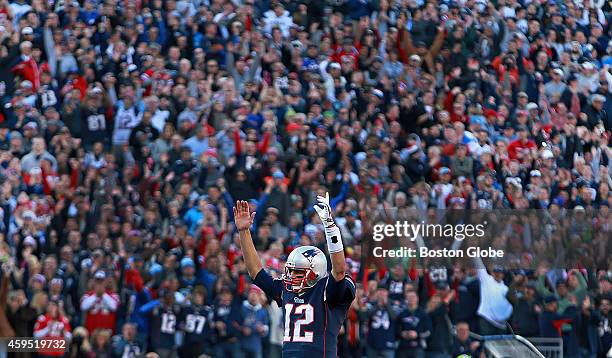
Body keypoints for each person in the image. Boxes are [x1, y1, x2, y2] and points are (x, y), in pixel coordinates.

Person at [233, 193, 356, 358]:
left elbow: (339, 270)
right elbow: (256, 272)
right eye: (290, 272)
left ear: (316, 272)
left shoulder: (327, 289)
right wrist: (244, 232)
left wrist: (330, 227)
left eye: (298, 272)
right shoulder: (287, 289)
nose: (291, 277)